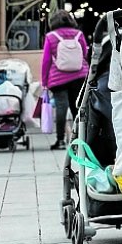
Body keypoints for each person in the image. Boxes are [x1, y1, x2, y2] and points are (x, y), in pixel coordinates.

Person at [41, 9, 90, 150]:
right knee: (78, 109)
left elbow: (46, 61)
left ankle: (60, 140)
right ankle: (80, 141)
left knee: (61, 108)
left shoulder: (51, 37)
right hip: (79, 76)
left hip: (58, 78)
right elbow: (85, 54)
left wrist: (44, 81)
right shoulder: (79, 34)